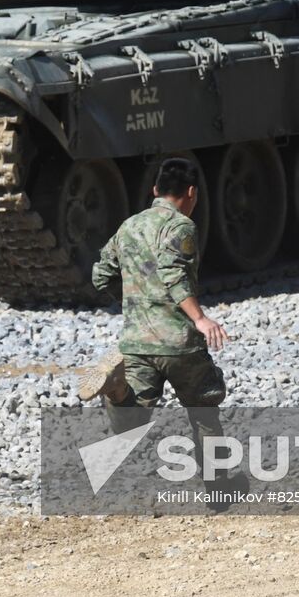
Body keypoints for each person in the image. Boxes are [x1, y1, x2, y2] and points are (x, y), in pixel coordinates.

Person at [78, 157, 229, 442]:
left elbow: (101, 275)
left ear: (155, 190)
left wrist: (138, 300)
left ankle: (117, 390)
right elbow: (174, 273)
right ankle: (219, 482)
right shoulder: (181, 226)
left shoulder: (129, 226)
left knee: (130, 423)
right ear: (192, 192)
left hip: (136, 341)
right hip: (178, 343)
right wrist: (200, 318)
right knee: (204, 410)